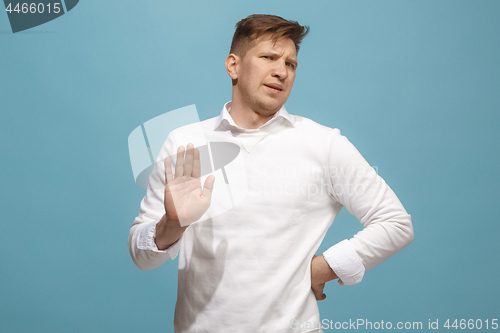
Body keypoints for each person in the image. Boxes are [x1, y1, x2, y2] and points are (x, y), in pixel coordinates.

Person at [128, 14, 413, 333]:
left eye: (291, 64)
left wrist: (324, 267)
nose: (282, 71)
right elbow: (141, 256)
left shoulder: (323, 144)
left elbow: (395, 223)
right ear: (233, 65)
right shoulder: (185, 143)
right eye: (268, 58)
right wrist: (172, 223)